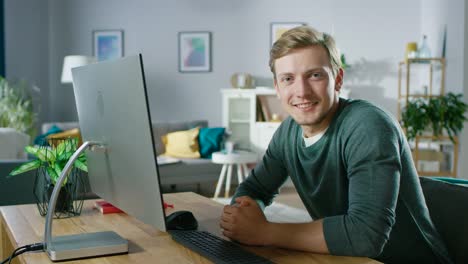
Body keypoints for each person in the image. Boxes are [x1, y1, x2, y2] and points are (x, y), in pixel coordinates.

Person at [219, 26, 453, 264]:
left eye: (315, 75)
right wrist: (246, 216)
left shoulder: (368, 126)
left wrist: (264, 232)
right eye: (288, 79)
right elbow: (254, 189)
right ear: (278, 88)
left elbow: (365, 236)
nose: (301, 91)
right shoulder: (287, 133)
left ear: (338, 79)